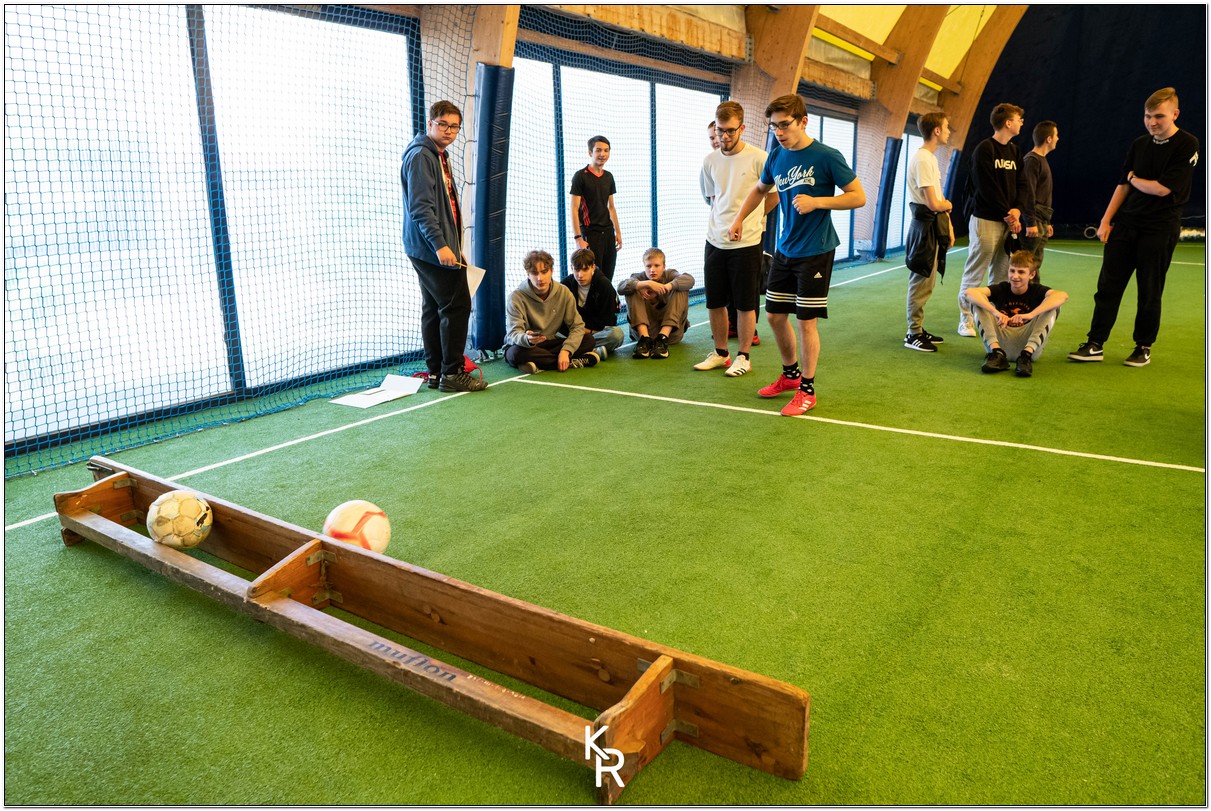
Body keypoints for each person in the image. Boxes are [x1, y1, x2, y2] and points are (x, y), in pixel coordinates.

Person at [728, 94, 866, 415]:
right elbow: (759, 190)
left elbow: (858, 196)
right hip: (784, 250)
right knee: (775, 316)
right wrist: (739, 219)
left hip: (816, 251)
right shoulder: (776, 156)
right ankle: (790, 375)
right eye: (774, 126)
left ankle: (807, 390)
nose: (779, 132)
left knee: (806, 322)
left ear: (803, 121)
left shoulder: (827, 156)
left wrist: (818, 202)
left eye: (784, 125)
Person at [1068, 87, 1199, 368]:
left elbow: (1162, 189)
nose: (1152, 122)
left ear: (1175, 114)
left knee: (1149, 291)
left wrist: (1133, 178)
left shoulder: (1187, 144)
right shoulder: (1139, 144)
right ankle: (1095, 344)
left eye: (1159, 116)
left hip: (1160, 230)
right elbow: (1122, 186)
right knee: (1107, 287)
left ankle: (1143, 347)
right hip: (1126, 226)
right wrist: (1105, 221)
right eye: (1148, 116)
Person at [400, 100, 486, 393]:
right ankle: (452, 373)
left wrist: (452, 245)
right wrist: (440, 246)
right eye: (443, 125)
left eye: (454, 127)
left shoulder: (438, 155)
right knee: (457, 304)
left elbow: (446, 207)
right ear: (430, 124)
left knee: (434, 306)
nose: (449, 131)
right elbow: (421, 208)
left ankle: (437, 372)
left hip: (432, 246)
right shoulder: (421, 156)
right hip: (428, 248)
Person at [695, 101, 776, 378]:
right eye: (720, 130)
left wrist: (751, 220)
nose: (724, 136)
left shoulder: (760, 158)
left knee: (745, 303)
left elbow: (774, 195)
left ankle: (743, 357)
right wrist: (724, 223)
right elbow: (712, 199)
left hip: (748, 243)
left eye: (730, 130)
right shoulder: (710, 161)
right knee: (715, 301)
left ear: (742, 128)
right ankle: (720, 353)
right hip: (714, 241)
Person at [958, 102, 1028, 337]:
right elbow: (986, 188)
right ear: (1008, 123)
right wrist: (1008, 214)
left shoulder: (1015, 151)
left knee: (1001, 273)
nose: (1021, 123)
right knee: (975, 271)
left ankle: (994, 316)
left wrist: (1017, 210)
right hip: (986, 220)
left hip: (1009, 221)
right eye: (1018, 119)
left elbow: (1022, 184)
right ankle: (966, 319)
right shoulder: (984, 149)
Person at [964, 250, 1067, 377]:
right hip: (999, 342)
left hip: (1028, 345)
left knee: (1053, 307)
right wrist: (996, 313)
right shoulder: (1002, 288)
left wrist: (1030, 315)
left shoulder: (1037, 290)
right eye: (1012, 271)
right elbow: (969, 292)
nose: (1015, 276)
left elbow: (1062, 296)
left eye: (1021, 272)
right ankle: (997, 353)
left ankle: (1025, 357)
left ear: (1032, 275)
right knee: (978, 303)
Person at [903, 111, 956, 353]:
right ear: (936, 130)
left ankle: (918, 329)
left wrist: (949, 226)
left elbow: (936, 200)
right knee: (921, 280)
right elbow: (934, 203)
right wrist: (948, 205)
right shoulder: (923, 159)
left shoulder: (929, 158)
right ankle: (913, 334)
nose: (948, 131)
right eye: (946, 127)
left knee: (927, 281)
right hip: (924, 227)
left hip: (931, 225)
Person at [504, 250, 600, 374]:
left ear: (552, 271)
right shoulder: (516, 297)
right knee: (515, 354)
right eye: (534, 273)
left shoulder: (564, 292)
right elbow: (514, 333)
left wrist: (566, 351)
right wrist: (527, 339)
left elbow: (577, 326)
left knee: (589, 340)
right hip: (526, 346)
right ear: (528, 274)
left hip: (551, 342)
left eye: (544, 272)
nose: (540, 278)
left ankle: (538, 363)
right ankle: (572, 361)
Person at [617, 248, 693, 360]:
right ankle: (645, 339)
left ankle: (662, 338)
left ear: (664, 266)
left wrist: (666, 287)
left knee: (681, 287)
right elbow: (620, 287)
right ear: (644, 266)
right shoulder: (638, 277)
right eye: (648, 266)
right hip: (645, 333)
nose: (652, 270)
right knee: (632, 287)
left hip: (671, 335)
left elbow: (690, 279)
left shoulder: (670, 274)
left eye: (657, 266)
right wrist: (646, 284)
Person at [570, 136, 622, 281]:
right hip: (590, 234)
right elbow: (574, 209)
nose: (602, 154)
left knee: (607, 277)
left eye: (606, 150)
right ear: (590, 153)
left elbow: (611, 207)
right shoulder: (580, 176)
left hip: (608, 233)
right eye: (598, 150)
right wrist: (578, 238)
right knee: (593, 278)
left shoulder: (609, 177)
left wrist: (617, 232)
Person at [561, 247, 623, 357]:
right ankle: (590, 351)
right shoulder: (565, 285)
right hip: (572, 333)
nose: (580, 275)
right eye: (577, 270)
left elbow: (608, 322)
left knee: (616, 335)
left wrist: (585, 331)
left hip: (593, 333)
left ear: (593, 267)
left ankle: (570, 349)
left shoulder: (604, 285)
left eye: (585, 270)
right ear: (571, 268)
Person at [1021, 121, 1059, 268]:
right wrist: (1030, 223)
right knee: (1025, 265)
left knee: (1034, 265)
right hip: (1034, 220)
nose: (1058, 139)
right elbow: (1027, 194)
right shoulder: (1032, 160)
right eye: (1056, 135)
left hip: (1041, 219)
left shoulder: (1041, 160)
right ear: (1049, 139)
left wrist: (1047, 222)